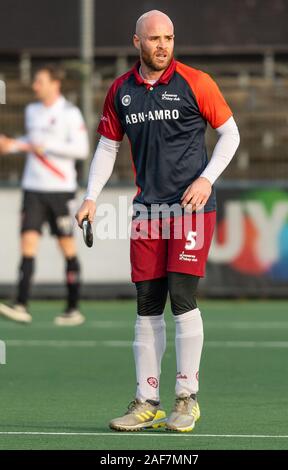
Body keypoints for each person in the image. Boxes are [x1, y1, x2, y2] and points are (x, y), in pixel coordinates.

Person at [76, 10, 240, 431]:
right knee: (147, 305)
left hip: (189, 208)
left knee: (182, 298)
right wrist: (91, 197)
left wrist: (206, 179)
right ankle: (146, 401)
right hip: (148, 211)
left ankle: (187, 398)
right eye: (154, 39)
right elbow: (108, 147)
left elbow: (230, 134)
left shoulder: (196, 82)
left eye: (168, 37)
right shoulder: (121, 91)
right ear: (137, 42)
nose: (163, 45)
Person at [0, 64, 89, 326]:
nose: (35, 86)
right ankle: (21, 304)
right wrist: (12, 145)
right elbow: (31, 144)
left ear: (54, 84)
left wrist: (47, 146)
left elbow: (81, 150)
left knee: (67, 248)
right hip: (33, 188)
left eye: (40, 81)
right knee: (28, 245)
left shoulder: (70, 113)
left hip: (60, 191)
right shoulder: (32, 110)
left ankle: (73, 308)